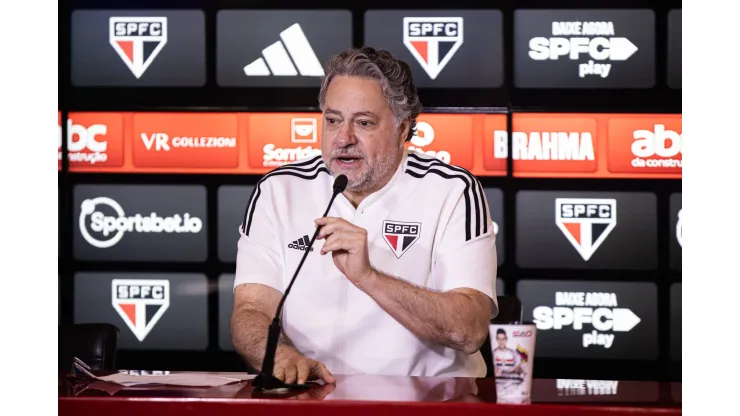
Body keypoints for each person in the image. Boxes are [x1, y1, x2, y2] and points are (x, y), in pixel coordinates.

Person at [230, 46, 498, 386]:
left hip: (432, 402)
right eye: (333, 120)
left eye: (364, 123)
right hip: (314, 396)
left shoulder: (452, 190)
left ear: (403, 130)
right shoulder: (278, 190)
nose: (344, 138)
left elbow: (470, 330)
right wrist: (279, 355)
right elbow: (251, 310)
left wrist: (369, 277)